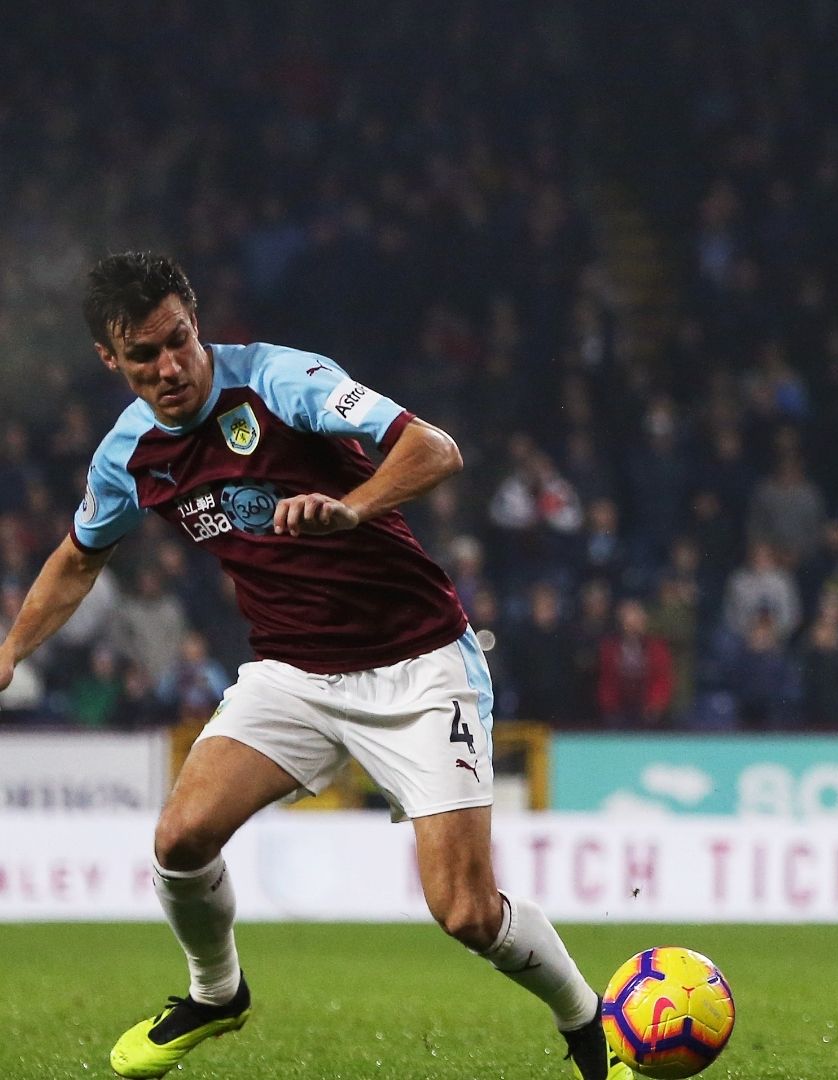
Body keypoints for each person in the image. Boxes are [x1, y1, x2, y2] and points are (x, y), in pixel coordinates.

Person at [0, 254, 621, 1080]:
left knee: (466, 912)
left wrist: (351, 507)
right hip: (293, 674)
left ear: (195, 319)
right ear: (110, 361)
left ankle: (590, 1027)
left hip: (420, 663)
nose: (170, 366)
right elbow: (79, 559)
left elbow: (435, 451)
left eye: (178, 340)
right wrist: (10, 650)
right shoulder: (128, 455)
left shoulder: (283, 381)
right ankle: (216, 993)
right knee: (181, 838)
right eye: (143, 356)